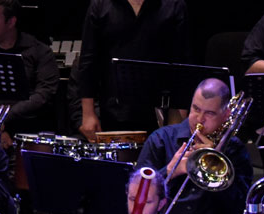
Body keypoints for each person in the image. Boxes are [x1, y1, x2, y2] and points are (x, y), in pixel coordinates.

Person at [135, 78, 250, 214]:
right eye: (195, 109)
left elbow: (240, 207)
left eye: (210, 113)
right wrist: (170, 170)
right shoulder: (161, 140)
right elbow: (137, 196)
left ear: (226, 115)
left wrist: (217, 166)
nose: (199, 119)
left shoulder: (235, 150)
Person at [76, 0, 190, 139]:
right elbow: (89, 61)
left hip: (160, 112)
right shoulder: (100, 5)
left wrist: (180, 119)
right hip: (113, 109)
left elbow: (182, 63)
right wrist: (88, 113)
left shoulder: (174, 5)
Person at [0, 1, 60, 134]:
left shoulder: (39, 51)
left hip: (28, 127)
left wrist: (3, 118)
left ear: (11, 22)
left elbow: (44, 94)